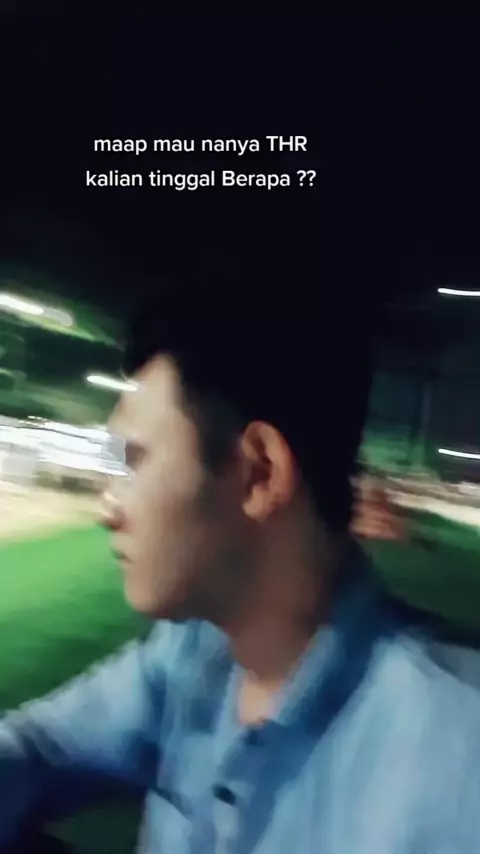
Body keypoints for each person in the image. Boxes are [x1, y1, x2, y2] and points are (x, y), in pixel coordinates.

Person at [1, 272, 480, 854]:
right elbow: (39, 748)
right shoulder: (187, 659)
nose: (108, 507)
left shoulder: (456, 753)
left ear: (259, 473)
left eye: (135, 460)